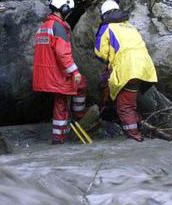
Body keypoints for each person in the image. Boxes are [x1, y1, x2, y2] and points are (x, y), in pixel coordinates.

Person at [94, 0, 158, 142]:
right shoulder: (129, 26)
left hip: (128, 68)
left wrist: (109, 60)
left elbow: (99, 52)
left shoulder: (107, 27)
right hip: (145, 68)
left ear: (104, 14)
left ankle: (134, 136)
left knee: (125, 106)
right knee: (130, 100)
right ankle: (141, 125)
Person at [33, 0, 87, 144]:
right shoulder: (58, 27)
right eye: (68, 10)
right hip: (56, 73)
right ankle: (77, 120)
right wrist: (75, 71)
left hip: (45, 74)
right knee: (75, 89)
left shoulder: (44, 26)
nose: (69, 13)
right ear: (63, 8)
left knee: (63, 98)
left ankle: (60, 134)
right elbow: (62, 54)